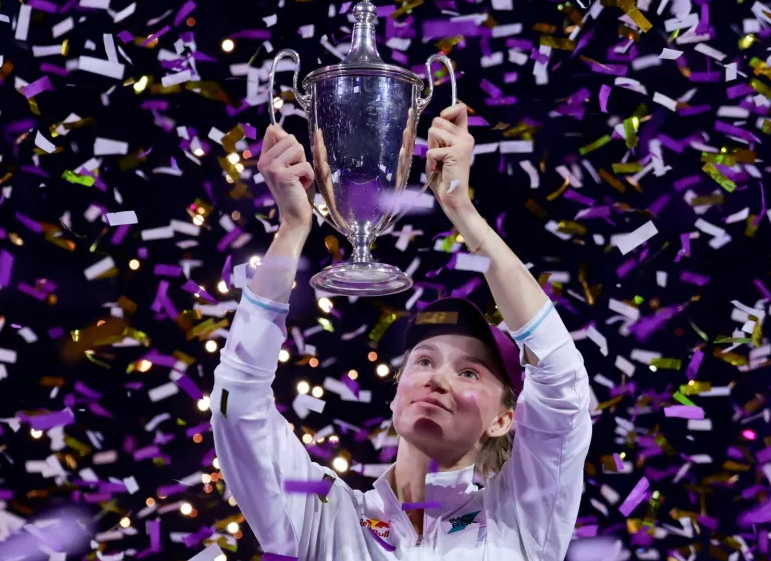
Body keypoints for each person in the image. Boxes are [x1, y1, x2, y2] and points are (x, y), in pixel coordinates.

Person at [210, 103, 593, 560]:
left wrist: (463, 211)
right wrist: (292, 230)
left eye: (470, 372)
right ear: (395, 395)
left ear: (504, 419)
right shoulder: (325, 511)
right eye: (425, 361)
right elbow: (238, 402)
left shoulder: (520, 517)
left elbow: (562, 381)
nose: (438, 379)